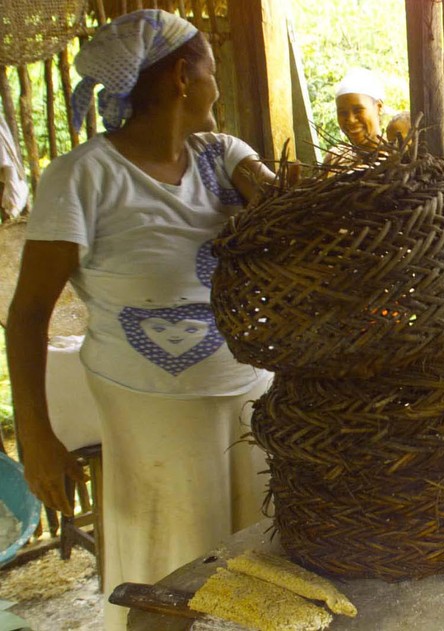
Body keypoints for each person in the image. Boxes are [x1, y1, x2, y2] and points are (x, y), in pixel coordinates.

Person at [5, 10, 280, 628]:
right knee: (170, 574)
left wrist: (274, 198)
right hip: (153, 409)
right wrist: (38, 439)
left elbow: (286, 205)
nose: (217, 85)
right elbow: (26, 316)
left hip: (247, 396)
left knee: (265, 568)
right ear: (184, 77)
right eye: (210, 71)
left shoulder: (222, 157)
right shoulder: (82, 178)